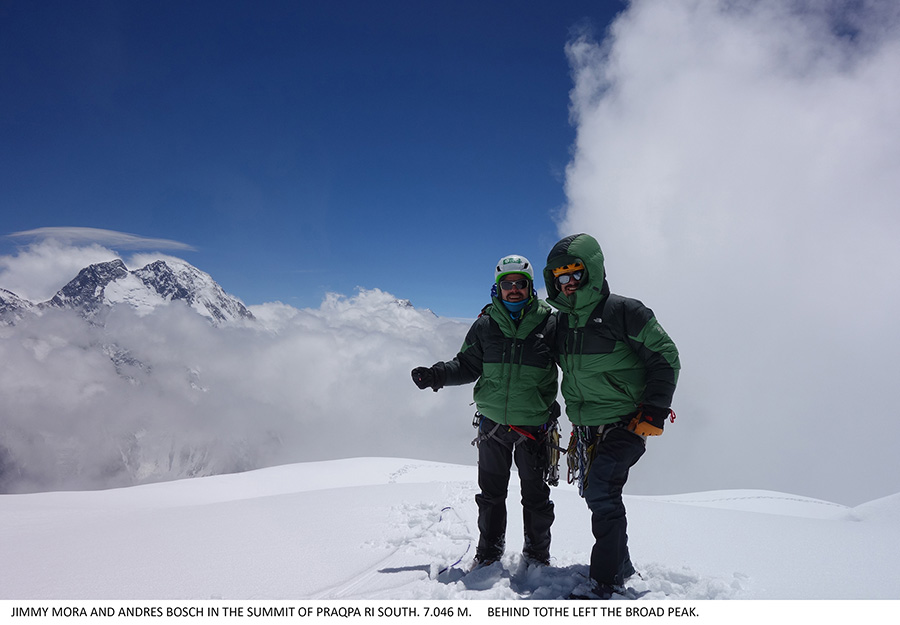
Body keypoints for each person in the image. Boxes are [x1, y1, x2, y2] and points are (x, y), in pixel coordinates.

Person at [542, 233, 680, 599]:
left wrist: (654, 411)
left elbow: (666, 356)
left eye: (575, 274)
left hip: (628, 422)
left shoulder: (624, 312)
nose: (568, 284)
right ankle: (620, 564)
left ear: (593, 271)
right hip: (587, 428)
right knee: (597, 492)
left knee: (602, 491)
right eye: (560, 278)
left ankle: (605, 583)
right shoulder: (560, 325)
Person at [411, 255, 559, 569]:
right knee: (491, 495)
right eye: (508, 284)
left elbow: (575, 368)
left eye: (521, 284)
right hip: (493, 425)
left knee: (535, 497)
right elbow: (466, 364)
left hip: (534, 427)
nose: (514, 289)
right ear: (498, 288)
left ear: (531, 287)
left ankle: (536, 556)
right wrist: (437, 375)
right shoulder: (486, 326)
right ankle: (489, 553)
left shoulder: (551, 323)